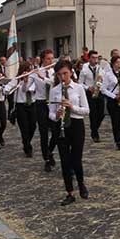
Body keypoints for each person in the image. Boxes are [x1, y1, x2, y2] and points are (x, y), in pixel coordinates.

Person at [49, 59, 90, 206]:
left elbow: (86, 110)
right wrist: (57, 115)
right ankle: (69, 192)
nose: (63, 77)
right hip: (61, 127)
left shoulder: (78, 88)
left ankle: (81, 183)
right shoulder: (54, 90)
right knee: (65, 161)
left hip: (76, 125)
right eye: (59, 75)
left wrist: (72, 107)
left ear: (71, 73)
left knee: (76, 159)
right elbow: (51, 114)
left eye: (65, 73)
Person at [4, 61, 37, 157]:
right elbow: (8, 87)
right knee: (24, 128)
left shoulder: (33, 78)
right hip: (21, 105)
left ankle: (26, 141)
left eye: (30, 69)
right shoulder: (17, 79)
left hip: (32, 104)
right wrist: (6, 89)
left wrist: (26, 82)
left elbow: (28, 89)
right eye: (27, 70)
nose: (28, 72)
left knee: (33, 126)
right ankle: (27, 147)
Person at [33, 50, 57, 170]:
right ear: (42, 59)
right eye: (48, 59)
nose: (50, 61)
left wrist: (43, 78)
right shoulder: (35, 72)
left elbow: (54, 84)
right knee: (43, 133)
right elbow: (28, 88)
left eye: (52, 58)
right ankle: (46, 159)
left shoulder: (54, 72)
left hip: (52, 103)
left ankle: (50, 151)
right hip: (41, 103)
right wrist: (26, 80)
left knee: (55, 131)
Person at [101, 55, 120, 150]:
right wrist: (114, 96)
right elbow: (103, 89)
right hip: (113, 100)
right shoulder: (108, 74)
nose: (119, 64)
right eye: (118, 62)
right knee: (116, 122)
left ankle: (118, 135)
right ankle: (118, 141)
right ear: (113, 64)